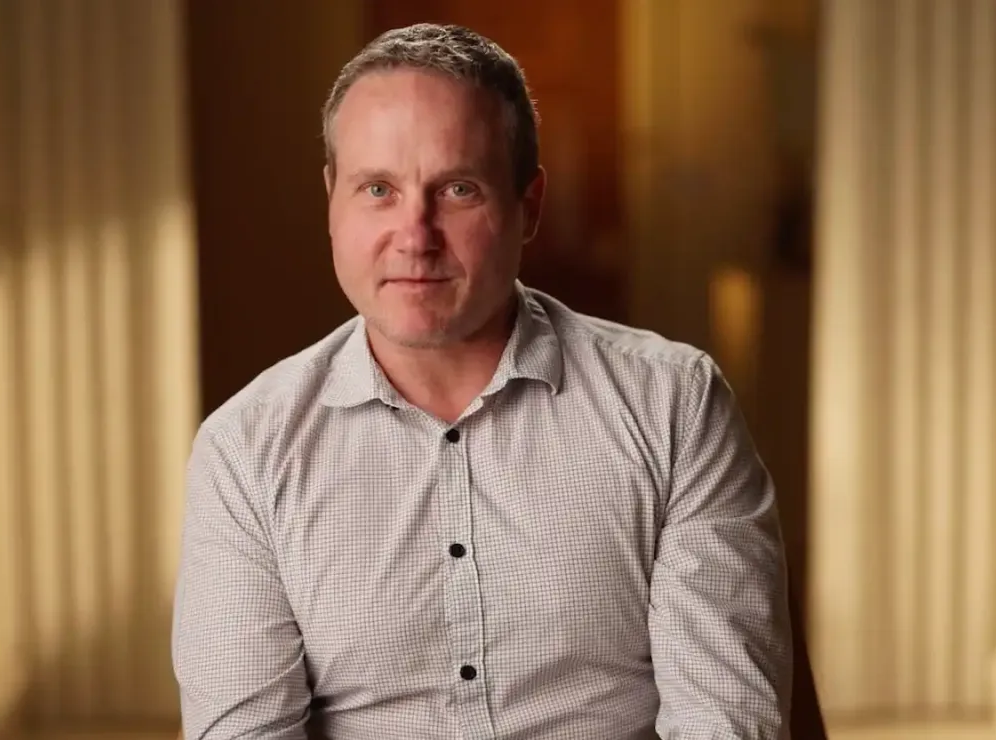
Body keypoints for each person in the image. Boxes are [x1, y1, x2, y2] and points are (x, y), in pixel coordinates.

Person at [172, 22, 793, 740]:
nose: (415, 236)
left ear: (529, 206)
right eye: (378, 189)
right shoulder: (245, 450)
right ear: (332, 201)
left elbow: (726, 723)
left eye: (458, 189)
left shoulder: (674, 405)